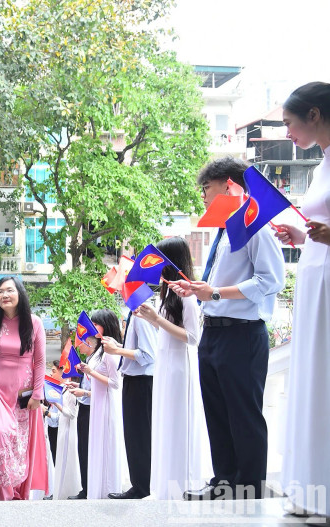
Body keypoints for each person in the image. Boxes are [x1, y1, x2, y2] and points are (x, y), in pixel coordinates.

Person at [170, 157, 285, 500]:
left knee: (243, 416)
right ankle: (225, 482)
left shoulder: (256, 227)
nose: (203, 196)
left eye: (207, 188)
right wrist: (198, 289)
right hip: (214, 332)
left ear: (229, 185)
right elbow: (219, 283)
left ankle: (249, 490)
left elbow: (271, 280)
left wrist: (216, 292)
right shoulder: (226, 231)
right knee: (218, 412)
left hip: (243, 333)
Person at [275, 81, 330, 520]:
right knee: (311, 377)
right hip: (312, 277)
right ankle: (311, 490)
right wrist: (298, 234)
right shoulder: (319, 166)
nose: (288, 134)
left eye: (291, 123)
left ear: (314, 115)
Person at [134, 238, 207, 500]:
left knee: (178, 424)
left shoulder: (186, 296)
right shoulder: (167, 293)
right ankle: (165, 485)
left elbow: (192, 337)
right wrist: (151, 319)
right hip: (165, 365)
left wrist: (157, 319)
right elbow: (166, 332)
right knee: (165, 422)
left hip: (179, 368)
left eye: (161, 259)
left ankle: (181, 484)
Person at [0, 276, 48, 501]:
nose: (4, 295)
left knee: (19, 441)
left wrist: (37, 394)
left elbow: (40, 361)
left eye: (9, 291)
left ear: (20, 294)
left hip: (22, 391)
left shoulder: (34, 322)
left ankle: (17, 491)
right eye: (0, 292)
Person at [100, 300, 157, 500]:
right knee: (134, 437)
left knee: (140, 437)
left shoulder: (141, 313)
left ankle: (144, 487)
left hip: (142, 382)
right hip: (134, 381)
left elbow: (148, 355)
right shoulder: (135, 313)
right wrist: (119, 345)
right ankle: (139, 485)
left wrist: (117, 351)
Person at [78, 310, 123, 500]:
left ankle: (107, 488)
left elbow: (114, 382)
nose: (92, 328)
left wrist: (91, 372)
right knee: (95, 446)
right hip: (96, 402)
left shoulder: (110, 351)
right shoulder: (99, 350)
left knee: (106, 444)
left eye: (96, 324)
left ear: (106, 325)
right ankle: (95, 488)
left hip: (105, 404)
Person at [66, 352, 92, 500]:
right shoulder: (92, 356)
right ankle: (86, 487)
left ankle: (89, 487)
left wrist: (85, 393)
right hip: (84, 405)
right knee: (82, 450)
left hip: (91, 407)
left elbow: (112, 385)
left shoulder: (105, 354)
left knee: (87, 450)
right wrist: (79, 386)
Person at [51, 379, 81, 500]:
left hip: (69, 428)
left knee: (67, 458)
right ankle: (59, 490)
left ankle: (68, 490)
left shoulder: (71, 392)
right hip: (63, 427)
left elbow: (72, 414)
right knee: (61, 458)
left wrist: (57, 404)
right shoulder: (64, 389)